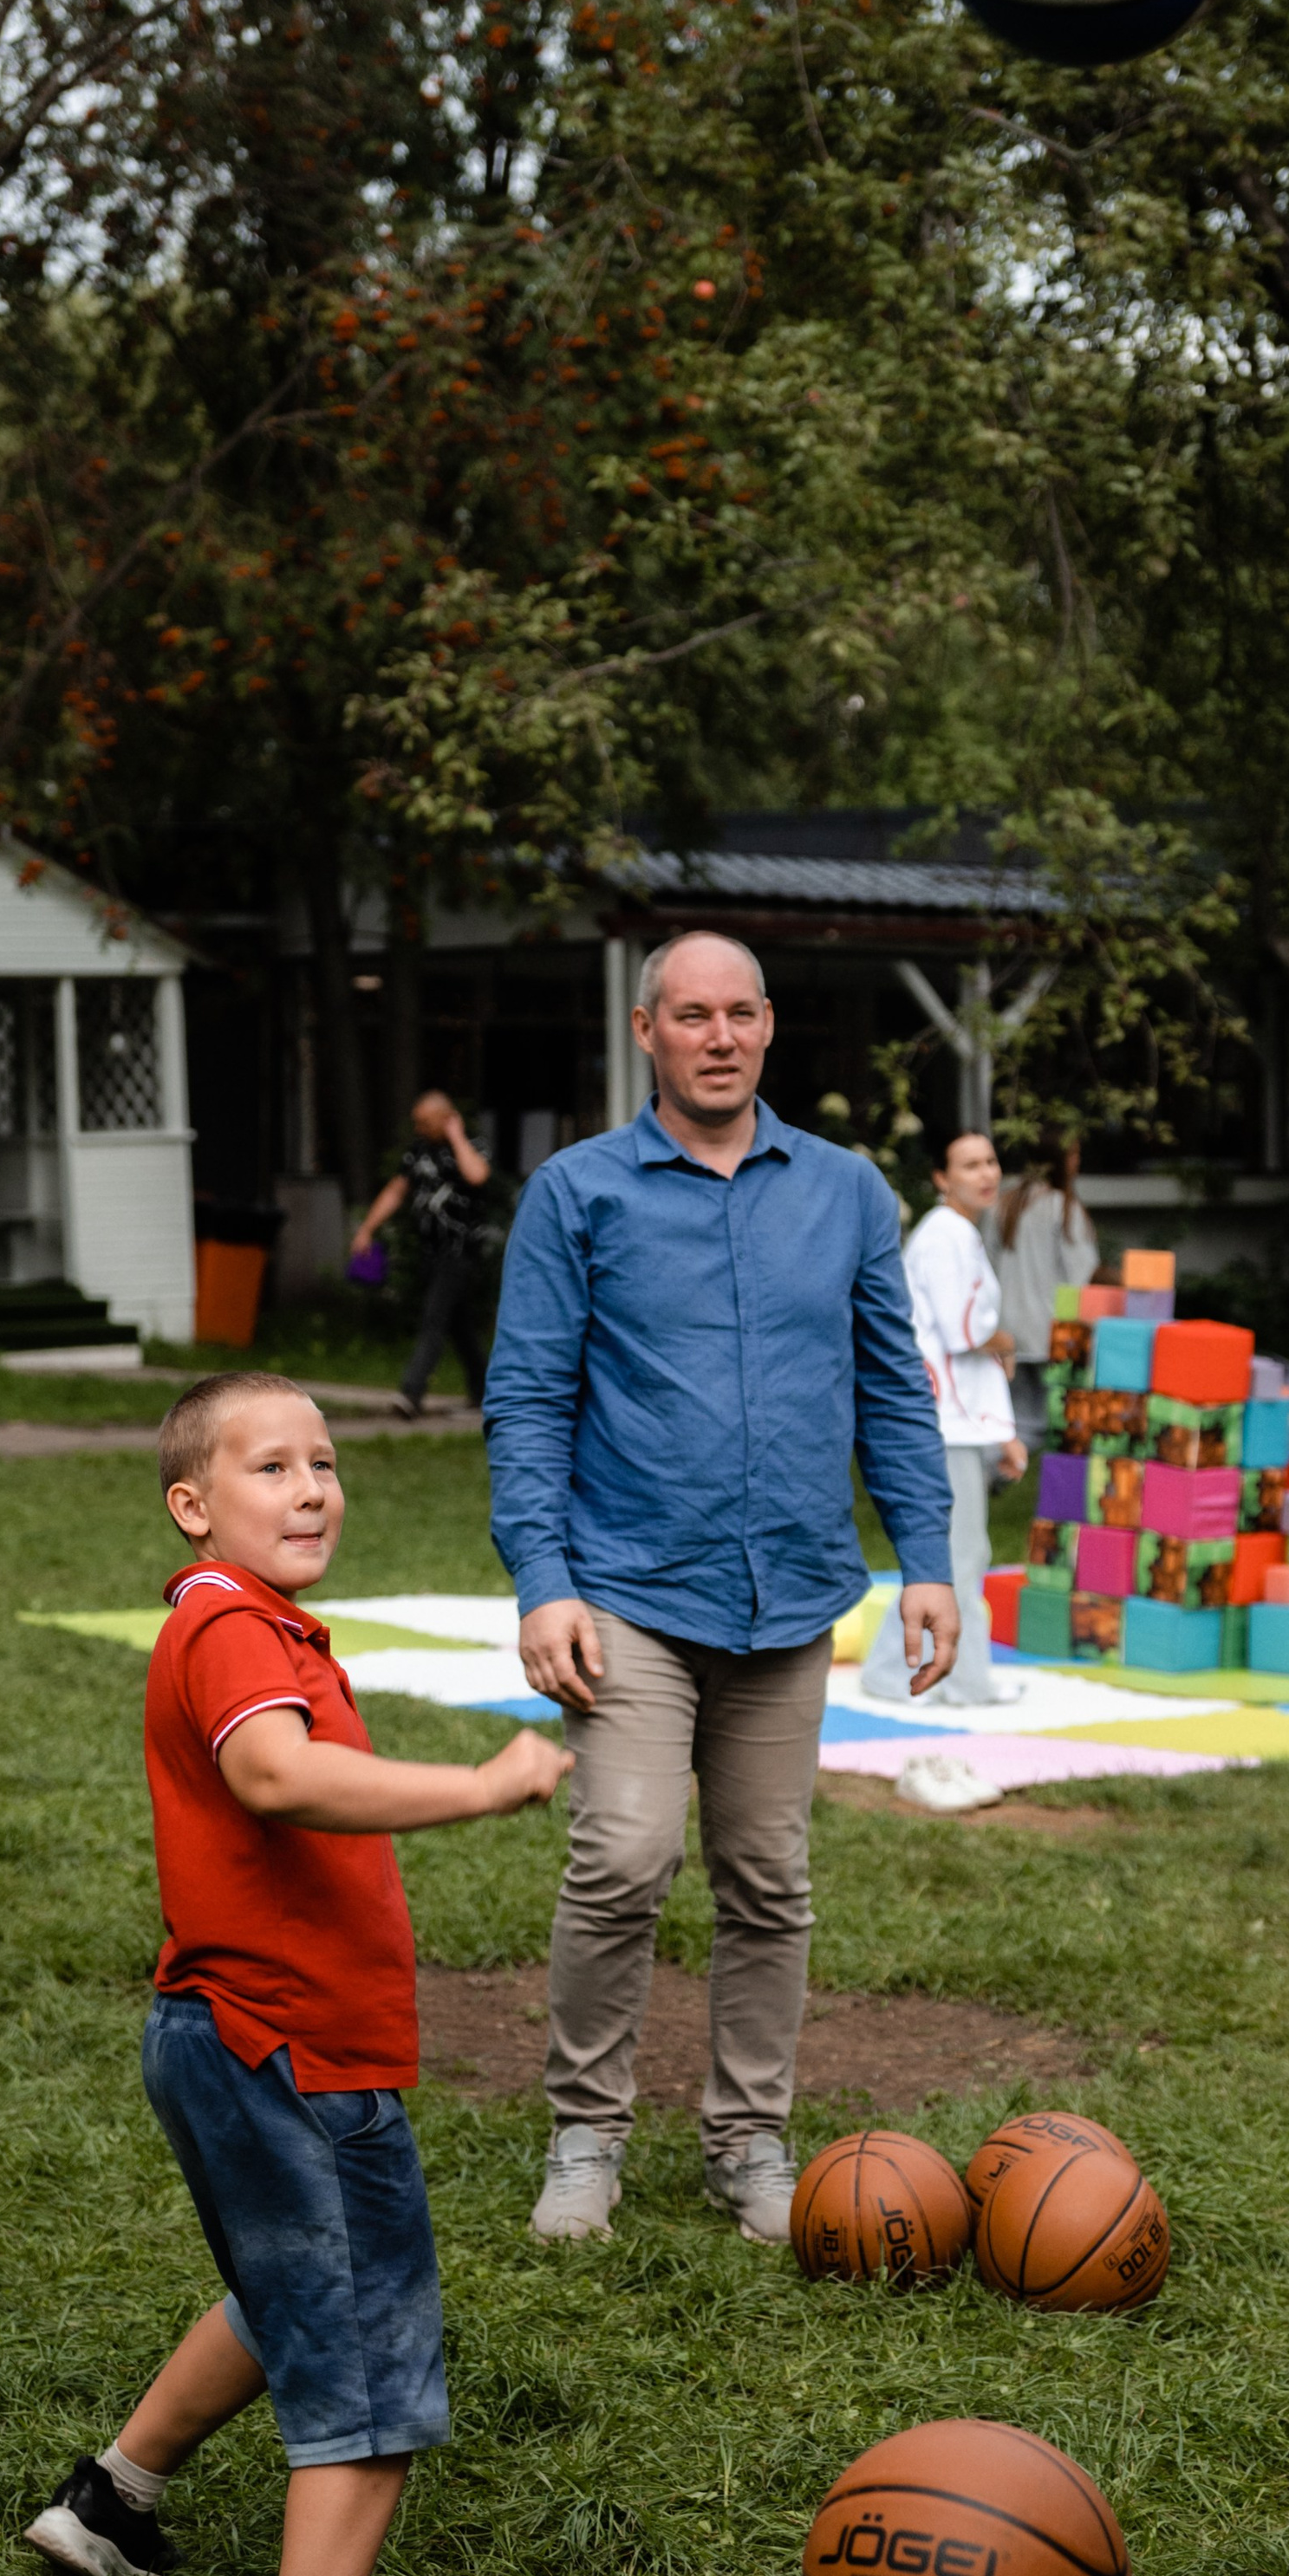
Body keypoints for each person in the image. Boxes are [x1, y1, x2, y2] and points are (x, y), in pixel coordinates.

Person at [23, 1368, 570, 2576]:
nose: (313, 1486)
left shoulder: (248, 1623)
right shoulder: (230, 1632)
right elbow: (273, 1775)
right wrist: (481, 1787)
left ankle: (110, 2508)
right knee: (374, 2362)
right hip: (289, 2053)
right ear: (192, 1505)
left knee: (284, 2296)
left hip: (225, 2039)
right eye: (270, 1468)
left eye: (324, 1461)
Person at [482, 931, 960, 2251]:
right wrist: (542, 1580)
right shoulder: (578, 1195)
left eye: (739, 1012)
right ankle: (587, 2137)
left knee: (767, 1876)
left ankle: (749, 2142)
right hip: (628, 1589)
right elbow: (526, 1398)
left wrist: (928, 1558)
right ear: (648, 1033)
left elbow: (888, 1389)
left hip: (793, 1595)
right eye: (689, 1015)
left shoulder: (850, 1192)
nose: (718, 1036)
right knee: (625, 1852)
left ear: (768, 1026)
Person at [861, 1130, 1029, 1712]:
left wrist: (1002, 1432)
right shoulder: (946, 1238)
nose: (986, 1174)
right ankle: (924, 1675)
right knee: (958, 1554)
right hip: (942, 1421)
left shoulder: (958, 1235)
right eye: (969, 1165)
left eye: (990, 1161)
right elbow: (968, 1337)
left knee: (959, 1551)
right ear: (940, 1178)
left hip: (955, 1420)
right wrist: (1007, 1339)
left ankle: (937, 1675)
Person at [350, 1093, 492, 1419]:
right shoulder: (418, 1153)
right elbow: (396, 1191)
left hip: (460, 1253)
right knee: (461, 1328)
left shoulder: (472, 1147)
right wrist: (367, 1229)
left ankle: (411, 1394)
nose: (418, 1127)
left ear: (447, 1118)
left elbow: (477, 1176)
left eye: (424, 1122)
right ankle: (485, 1392)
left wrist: (456, 1135)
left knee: (434, 1319)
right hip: (432, 1252)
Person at [994, 1137, 1098, 1448]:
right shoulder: (1062, 1207)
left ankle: (997, 1472)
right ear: (1058, 1158)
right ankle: (1001, 1474)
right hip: (1050, 1330)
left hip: (1008, 1327)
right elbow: (1082, 1275)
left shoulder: (1006, 1202)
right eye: (1074, 1154)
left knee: (1018, 1417)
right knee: (1058, 1424)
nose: (1077, 1161)